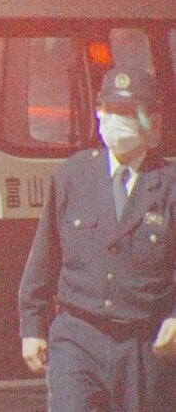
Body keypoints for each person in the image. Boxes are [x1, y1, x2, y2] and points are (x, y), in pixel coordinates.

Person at [19, 66, 176, 412]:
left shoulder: (168, 184)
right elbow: (44, 257)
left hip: (142, 343)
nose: (115, 120)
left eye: (128, 112)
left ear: (153, 121)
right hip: (77, 335)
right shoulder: (73, 175)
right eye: (109, 109)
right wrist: (32, 326)